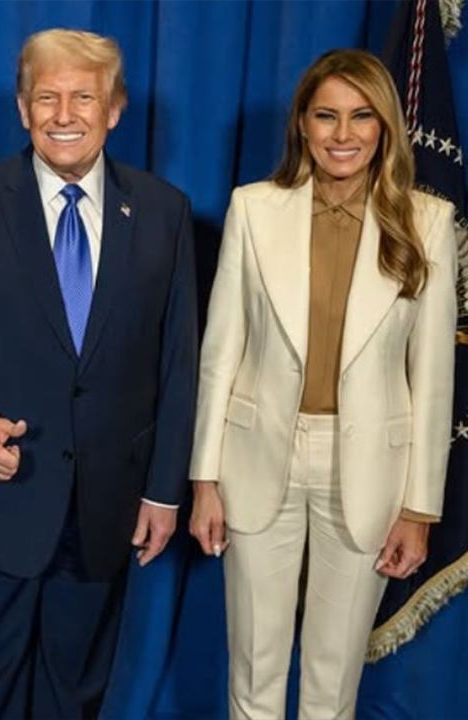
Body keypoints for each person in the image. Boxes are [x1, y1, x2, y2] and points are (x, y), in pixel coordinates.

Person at [0, 28, 197, 718]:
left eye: (83, 98)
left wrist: (163, 492)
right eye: (46, 98)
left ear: (114, 109)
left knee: (77, 695)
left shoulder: (164, 212)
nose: (64, 115)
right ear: (21, 108)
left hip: (105, 507)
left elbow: (179, 361)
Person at [189, 49, 457, 719]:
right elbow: (221, 353)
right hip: (257, 457)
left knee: (332, 680)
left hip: (369, 469)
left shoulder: (427, 222)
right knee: (254, 668)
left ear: (385, 127)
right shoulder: (253, 209)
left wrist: (420, 509)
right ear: (302, 125)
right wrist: (204, 479)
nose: (343, 134)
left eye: (361, 116)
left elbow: (433, 378)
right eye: (326, 116)